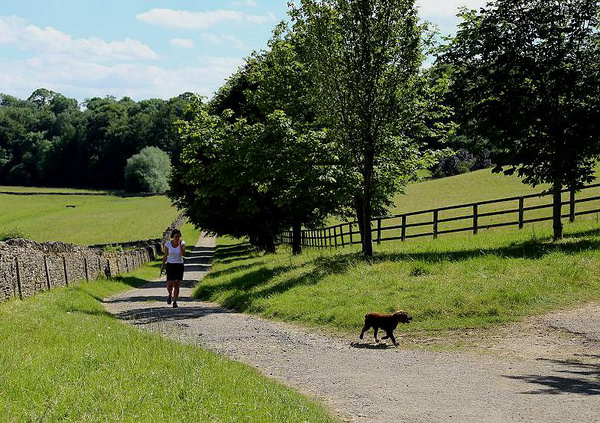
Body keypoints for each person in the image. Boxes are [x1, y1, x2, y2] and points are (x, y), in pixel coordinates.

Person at [162, 229, 186, 308]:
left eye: (178, 236)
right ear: (173, 236)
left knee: (176, 284)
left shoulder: (182, 243)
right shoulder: (168, 244)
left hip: (179, 265)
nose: (177, 238)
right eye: (176, 236)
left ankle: (175, 301)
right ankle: (169, 294)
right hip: (170, 265)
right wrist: (163, 265)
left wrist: (179, 245)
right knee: (169, 284)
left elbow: (183, 254)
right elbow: (165, 255)